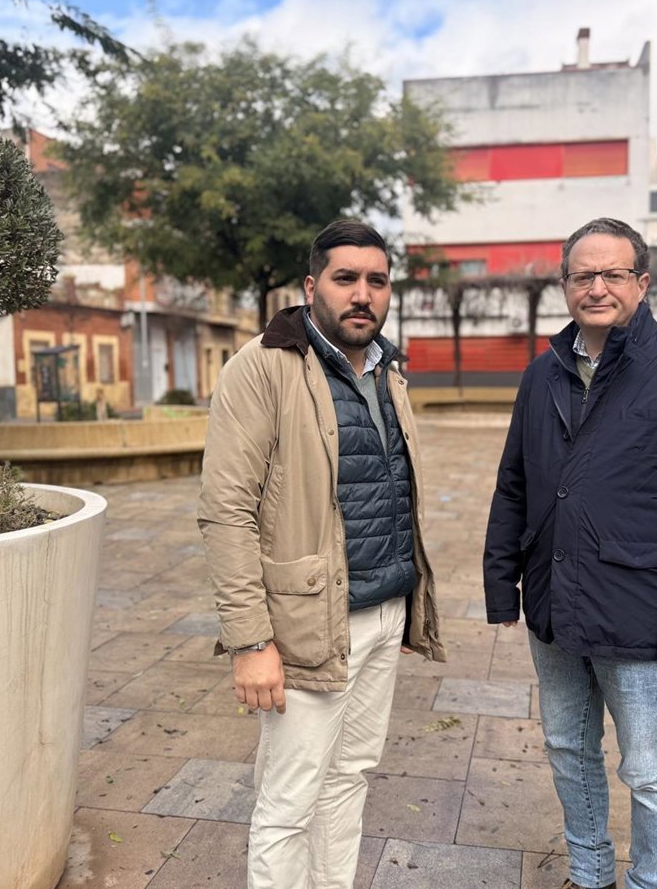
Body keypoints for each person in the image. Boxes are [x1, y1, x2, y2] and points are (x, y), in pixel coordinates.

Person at [483, 218, 657, 889]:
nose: (597, 287)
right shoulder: (543, 374)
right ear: (565, 284)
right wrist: (501, 584)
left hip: (642, 613)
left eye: (613, 274)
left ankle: (653, 881)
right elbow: (515, 481)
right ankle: (590, 872)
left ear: (642, 281)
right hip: (554, 604)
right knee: (568, 748)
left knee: (650, 769)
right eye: (583, 275)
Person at [198, 220, 444, 889]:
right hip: (307, 625)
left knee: (350, 777)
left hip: (383, 613)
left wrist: (405, 607)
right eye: (346, 279)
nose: (363, 294)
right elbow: (225, 510)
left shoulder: (386, 369)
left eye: (377, 281)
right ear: (312, 287)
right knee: (289, 801)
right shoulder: (263, 367)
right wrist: (251, 641)